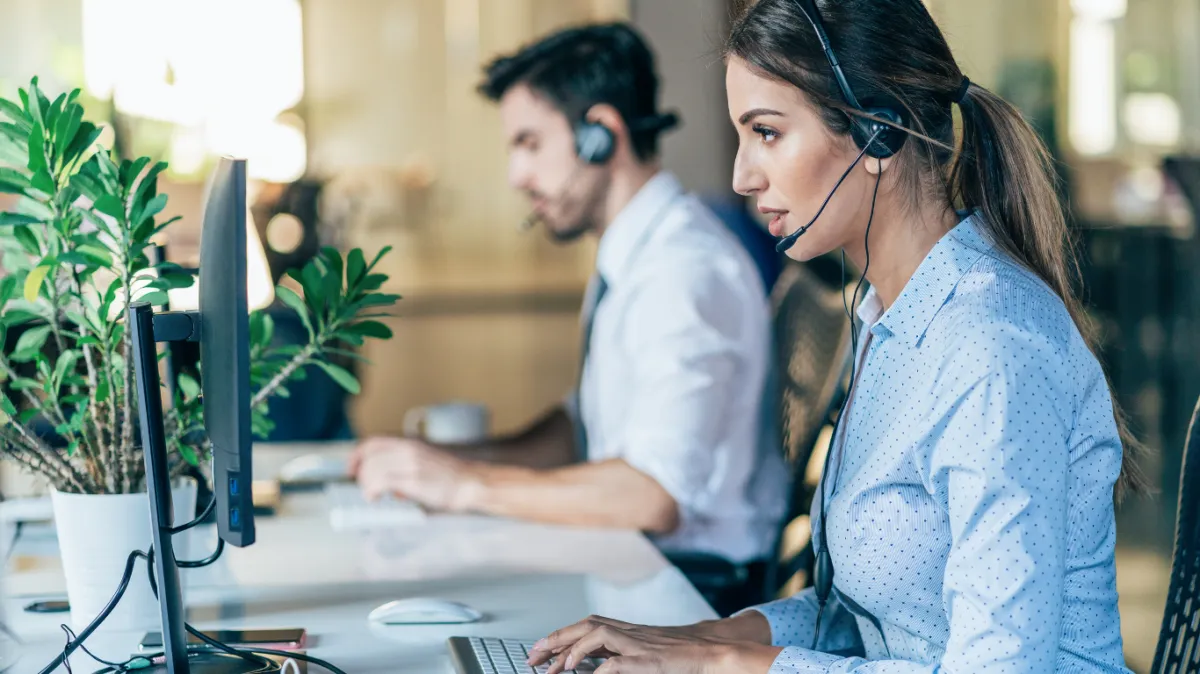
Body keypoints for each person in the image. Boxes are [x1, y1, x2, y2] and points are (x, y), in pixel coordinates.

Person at [526, 0, 1145, 672]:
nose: (741, 177)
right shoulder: (886, 315)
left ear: (878, 133)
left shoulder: (992, 346)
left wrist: (722, 667)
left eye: (766, 133)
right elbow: (859, 620)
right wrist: (697, 639)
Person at [350, 22, 788, 610]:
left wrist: (463, 485)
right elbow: (584, 429)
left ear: (600, 135)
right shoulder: (633, 256)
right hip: (629, 566)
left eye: (529, 143)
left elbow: (651, 495)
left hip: (689, 593)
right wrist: (440, 464)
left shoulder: (682, 272)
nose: (516, 176)